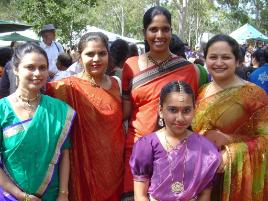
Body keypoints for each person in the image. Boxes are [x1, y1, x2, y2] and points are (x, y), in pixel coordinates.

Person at [122, 6, 199, 200]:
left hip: (173, 150)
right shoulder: (130, 66)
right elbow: (125, 112)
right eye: (153, 29)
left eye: (165, 29)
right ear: (144, 32)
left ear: (171, 31)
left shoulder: (187, 69)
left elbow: (191, 115)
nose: (159, 35)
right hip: (136, 147)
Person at [46, 32, 125, 201]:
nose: (96, 59)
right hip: (82, 168)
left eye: (102, 53)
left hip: (114, 168)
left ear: (108, 56)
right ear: (80, 58)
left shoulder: (117, 85)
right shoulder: (64, 88)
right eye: (90, 54)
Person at [192, 34, 268, 201]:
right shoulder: (201, 92)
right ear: (205, 60)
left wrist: (229, 152)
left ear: (238, 61)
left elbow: (265, 140)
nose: (219, 63)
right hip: (200, 175)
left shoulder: (254, 95)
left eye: (226, 57)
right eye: (213, 57)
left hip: (236, 178)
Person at [0, 42, 75, 201]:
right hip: (10, 195)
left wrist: (63, 193)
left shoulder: (59, 110)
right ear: (15, 70)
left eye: (43, 68)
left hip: (50, 194)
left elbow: (64, 154)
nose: (37, 73)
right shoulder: (2, 110)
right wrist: (21, 195)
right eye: (30, 67)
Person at [130, 81, 221, 201]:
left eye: (186, 111)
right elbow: (140, 195)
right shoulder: (147, 146)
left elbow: (204, 195)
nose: (180, 118)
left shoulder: (206, 149)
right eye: (173, 110)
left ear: (194, 110)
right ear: (161, 110)